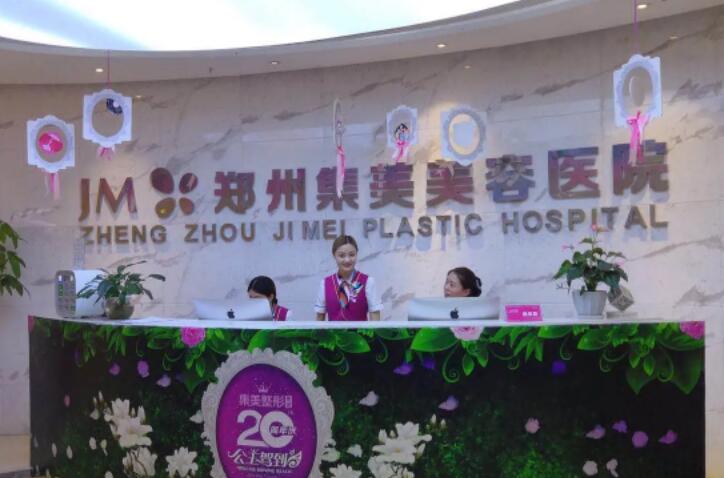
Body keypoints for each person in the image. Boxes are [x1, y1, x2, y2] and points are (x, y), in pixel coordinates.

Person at [315, 235, 382, 321]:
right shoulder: (325, 283)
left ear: (356, 254)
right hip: (333, 330)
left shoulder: (367, 282)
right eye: (342, 256)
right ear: (334, 255)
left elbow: (375, 317)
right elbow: (320, 318)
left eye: (352, 255)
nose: (347, 260)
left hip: (359, 330)